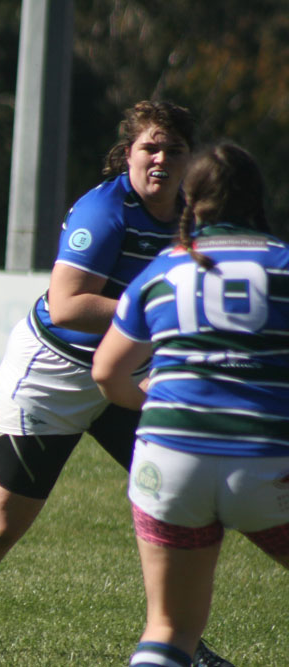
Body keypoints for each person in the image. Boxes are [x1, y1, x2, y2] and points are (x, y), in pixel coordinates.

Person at [0, 100, 230, 666]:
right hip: (54, 374)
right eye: (150, 147)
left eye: (174, 149)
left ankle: (179, 645)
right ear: (129, 153)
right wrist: (162, 310)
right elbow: (66, 305)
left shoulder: (197, 214)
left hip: (127, 373)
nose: (161, 159)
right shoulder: (104, 210)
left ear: (192, 158)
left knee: (183, 499)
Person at [91, 143, 289, 667]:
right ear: (257, 198)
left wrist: (159, 410)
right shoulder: (284, 265)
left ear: (191, 201)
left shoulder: (160, 271)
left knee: (169, 628)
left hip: (169, 464)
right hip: (266, 463)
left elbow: (106, 372)